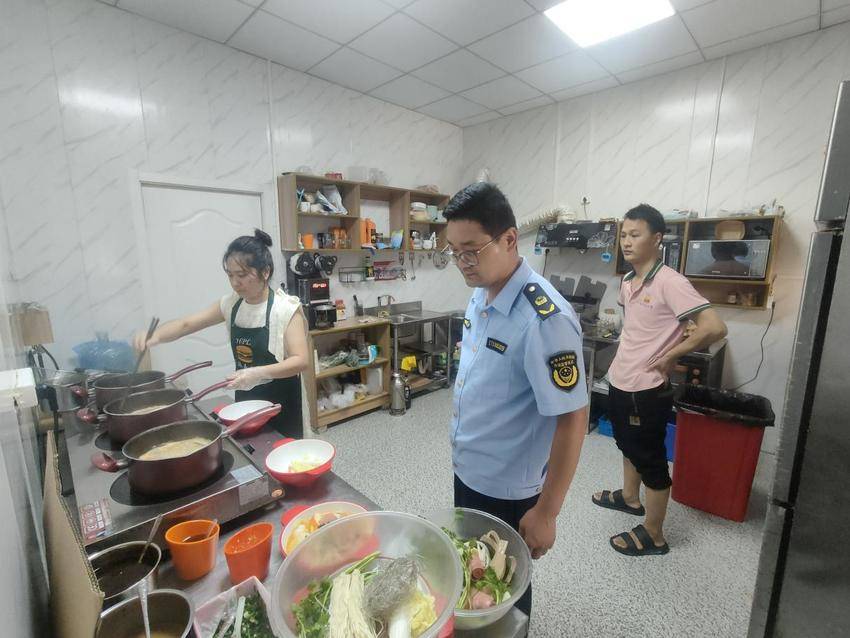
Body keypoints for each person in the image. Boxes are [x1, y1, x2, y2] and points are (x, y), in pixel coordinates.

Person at [442, 183, 588, 617]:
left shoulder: (545, 320)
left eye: (471, 250)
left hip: (509, 489)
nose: (462, 263)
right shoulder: (479, 293)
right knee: (473, 573)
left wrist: (547, 511)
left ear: (509, 240)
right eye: (453, 251)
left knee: (504, 588)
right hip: (469, 469)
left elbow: (573, 420)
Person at [593, 204, 727, 556]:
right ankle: (628, 498)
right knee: (626, 443)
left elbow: (714, 326)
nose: (626, 241)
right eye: (623, 234)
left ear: (656, 239)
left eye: (635, 235)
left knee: (650, 458)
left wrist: (670, 355)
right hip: (621, 379)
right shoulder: (627, 281)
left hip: (647, 389)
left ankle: (654, 534)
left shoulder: (671, 281)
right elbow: (644, 327)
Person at [133, 229, 309, 438]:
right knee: (252, 450)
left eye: (242, 275)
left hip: (281, 402)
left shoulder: (285, 309)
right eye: (230, 275)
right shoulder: (232, 304)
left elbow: (301, 361)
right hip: (247, 397)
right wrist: (156, 336)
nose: (235, 283)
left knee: (282, 452)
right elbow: (186, 324)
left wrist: (256, 373)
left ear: (265, 272)